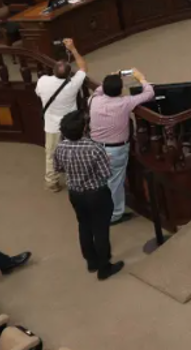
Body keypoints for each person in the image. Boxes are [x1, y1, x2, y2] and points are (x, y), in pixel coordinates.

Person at [54, 111, 123, 280]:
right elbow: (106, 174)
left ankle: (91, 262)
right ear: (84, 128)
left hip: (75, 193)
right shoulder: (95, 148)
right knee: (100, 229)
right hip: (97, 193)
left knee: (84, 225)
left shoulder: (60, 147)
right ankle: (104, 267)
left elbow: (58, 168)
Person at [89, 69, 155, 224]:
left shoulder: (93, 100)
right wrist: (141, 78)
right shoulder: (125, 102)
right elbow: (149, 93)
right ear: (120, 90)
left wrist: (111, 79)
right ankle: (114, 215)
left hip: (95, 148)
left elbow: (98, 90)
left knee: (100, 180)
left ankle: (99, 208)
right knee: (115, 183)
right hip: (115, 150)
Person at [34, 38, 87, 192]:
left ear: (53, 71)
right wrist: (73, 49)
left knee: (51, 154)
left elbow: (38, 93)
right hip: (71, 124)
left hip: (51, 126)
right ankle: (76, 181)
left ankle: (51, 181)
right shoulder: (73, 83)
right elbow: (83, 67)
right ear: (70, 74)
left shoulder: (43, 81)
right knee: (75, 153)